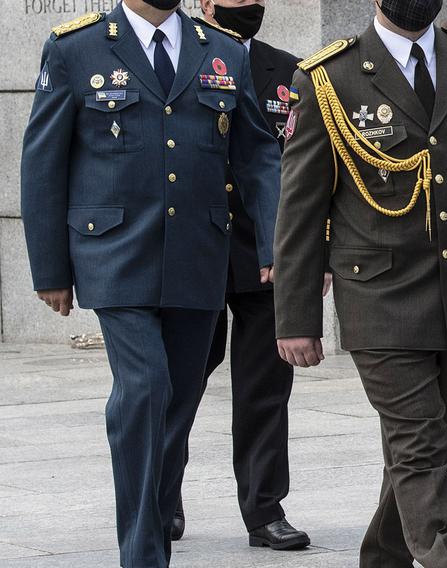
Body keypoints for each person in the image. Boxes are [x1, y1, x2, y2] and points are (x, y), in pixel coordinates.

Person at [273, 1, 447, 566]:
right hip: (381, 296)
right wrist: (297, 318)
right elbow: (300, 207)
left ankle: (384, 558)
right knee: (420, 444)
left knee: (420, 451)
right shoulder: (329, 76)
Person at [20, 0, 281, 566]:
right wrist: (50, 268)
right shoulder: (75, 47)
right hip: (113, 253)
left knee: (177, 406)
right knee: (144, 390)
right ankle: (142, 554)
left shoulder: (224, 50)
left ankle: (155, 530)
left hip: (198, 254)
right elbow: (43, 161)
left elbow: (259, 154)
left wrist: (274, 243)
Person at [169, 0, 311, 551]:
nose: (245, 5)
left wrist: (308, 254)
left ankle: (264, 510)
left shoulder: (289, 71)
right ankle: (162, 496)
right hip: (192, 251)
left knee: (265, 392)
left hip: (267, 256)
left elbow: (309, 168)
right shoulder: (182, 58)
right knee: (176, 386)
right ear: (205, 4)